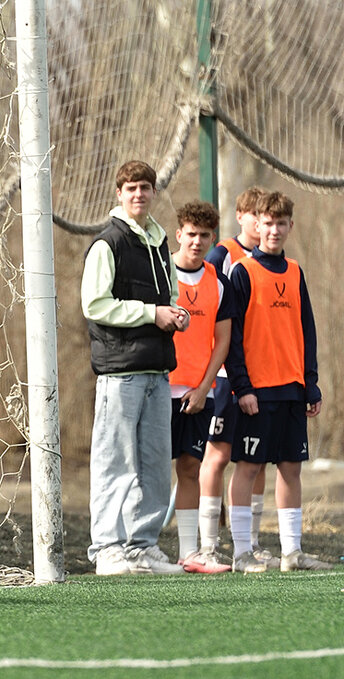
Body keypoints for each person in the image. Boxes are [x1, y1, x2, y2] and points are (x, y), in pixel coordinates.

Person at [81, 160, 189, 576]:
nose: (139, 194)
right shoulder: (108, 244)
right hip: (119, 372)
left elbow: (171, 295)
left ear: (153, 192)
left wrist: (176, 315)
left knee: (155, 463)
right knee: (115, 462)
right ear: (119, 193)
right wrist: (151, 314)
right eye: (131, 187)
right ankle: (107, 549)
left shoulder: (160, 244)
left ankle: (142, 547)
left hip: (158, 370)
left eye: (146, 186)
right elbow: (95, 304)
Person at [223, 191, 331, 572]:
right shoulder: (243, 271)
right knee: (249, 467)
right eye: (266, 223)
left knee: (291, 467)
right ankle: (241, 553)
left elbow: (307, 331)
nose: (273, 230)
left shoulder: (296, 271)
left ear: (289, 226)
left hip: (292, 388)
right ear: (256, 224)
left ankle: (292, 553)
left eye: (280, 223)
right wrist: (243, 386)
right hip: (257, 389)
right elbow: (231, 338)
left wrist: (311, 383)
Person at [201, 186, 272, 566]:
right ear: (242, 216)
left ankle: (251, 543)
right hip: (227, 375)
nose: (262, 224)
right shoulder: (223, 254)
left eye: (268, 217)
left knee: (255, 458)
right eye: (254, 216)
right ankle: (209, 545)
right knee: (218, 454)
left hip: (258, 375)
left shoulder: (271, 258)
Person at [166, 201, 233, 573]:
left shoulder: (218, 282)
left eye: (204, 235)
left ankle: (189, 553)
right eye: (191, 234)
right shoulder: (162, 275)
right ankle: (132, 548)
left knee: (190, 467)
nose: (197, 241)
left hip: (197, 392)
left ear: (211, 239)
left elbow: (221, 342)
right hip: (158, 388)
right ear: (179, 234)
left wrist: (204, 386)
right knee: (148, 470)